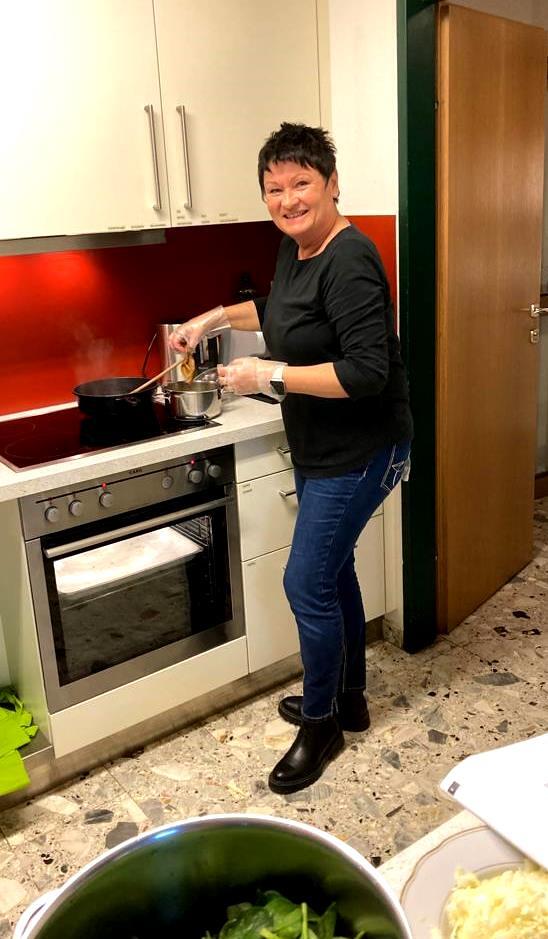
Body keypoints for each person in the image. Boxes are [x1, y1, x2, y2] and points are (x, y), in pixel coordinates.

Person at [169, 123, 413, 795]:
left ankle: (322, 721)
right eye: (274, 189)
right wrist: (211, 320)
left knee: (306, 582)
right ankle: (350, 698)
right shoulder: (295, 248)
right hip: (319, 446)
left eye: (302, 183)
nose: (288, 200)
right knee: (333, 571)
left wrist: (268, 375)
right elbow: (278, 308)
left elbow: (365, 372)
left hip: (362, 450)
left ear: (332, 184)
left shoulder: (350, 257)